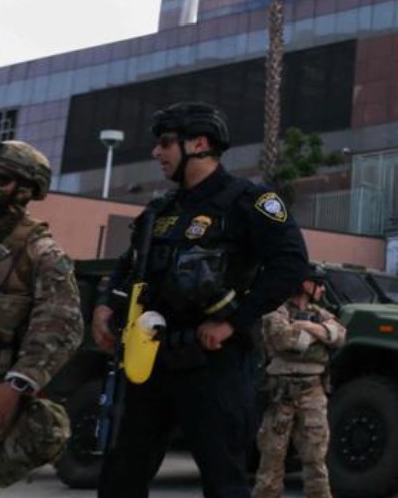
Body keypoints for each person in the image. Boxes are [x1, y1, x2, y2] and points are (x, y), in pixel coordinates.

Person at [93, 102, 309, 498]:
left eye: (165, 143)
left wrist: (233, 321)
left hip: (213, 365)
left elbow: (291, 265)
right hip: (148, 362)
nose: (156, 153)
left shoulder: (250, 201)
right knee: (118, 480)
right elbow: (127, 266)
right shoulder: (160, 210)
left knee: (225, 483)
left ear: (199, 144)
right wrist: (105, 304)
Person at [0, 141, 82, 498]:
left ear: (27, 189)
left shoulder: (40, 252)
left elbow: (61, 325)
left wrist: (14, 388)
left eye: (1, 180)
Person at [253, 270, 346, 498]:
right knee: (271, 460)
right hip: (280, 393)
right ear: (305, 284)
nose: (322, 290)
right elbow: (286, 340)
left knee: (316, 460)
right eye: (319, 284)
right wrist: (321, 334)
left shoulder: (319, 312)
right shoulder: (276, 311)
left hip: (312, 390)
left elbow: (340, 335)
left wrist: (306, 327)